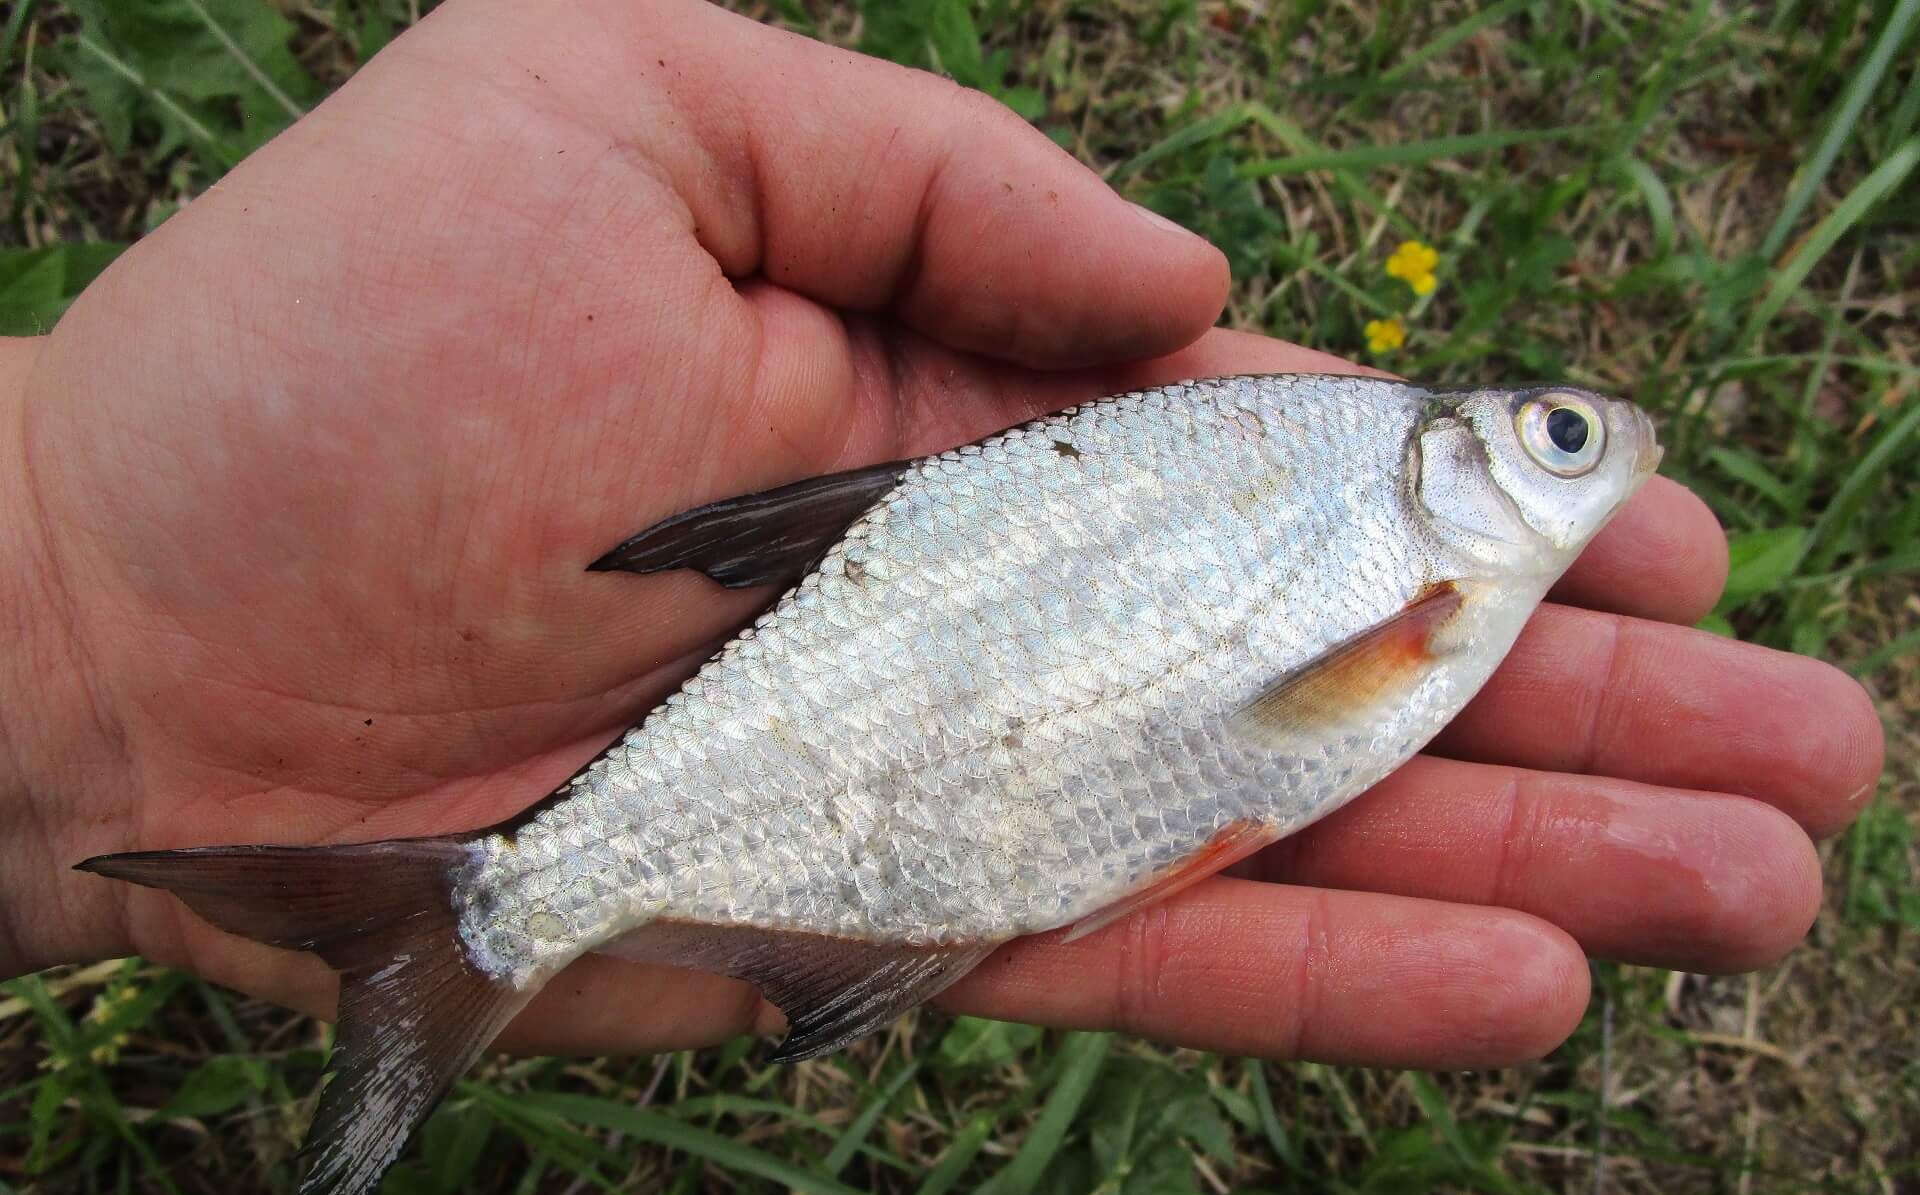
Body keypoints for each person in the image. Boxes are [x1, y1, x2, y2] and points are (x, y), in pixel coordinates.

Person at [0, 0, 1882, 1069]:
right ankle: (491, 906)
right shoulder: (1373, 494)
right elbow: (1307, 717)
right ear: (1452, 473)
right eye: (1558, 438)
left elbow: (1294, 722)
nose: (1591, 451)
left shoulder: (1387, 540)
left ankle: (497, 908)